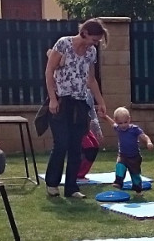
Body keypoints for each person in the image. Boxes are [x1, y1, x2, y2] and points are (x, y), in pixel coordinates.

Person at [44, 19, 109, 198]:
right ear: (85, 33)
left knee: (76, 145)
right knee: (61, 143)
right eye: (94, 39)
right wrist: (52, 99)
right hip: (61, 100)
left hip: (80, 102)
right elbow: (49, 71)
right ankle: (52, 184)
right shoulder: (63, 44)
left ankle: (72, 187)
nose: (95, 44)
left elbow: (91, 79)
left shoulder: (91, 52)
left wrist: (101, 102)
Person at [112, 107, 154, 192]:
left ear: (129, 119)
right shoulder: (118, 128)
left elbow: (144, 136)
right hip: (123, 155)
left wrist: (149, 142)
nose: (123, 125)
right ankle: (118, 182)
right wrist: (104, 116)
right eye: (120, 123)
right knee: (120, 165)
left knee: (135, 174)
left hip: (134, 157)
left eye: (125, 122)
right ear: (116, 121)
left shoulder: (134, 129)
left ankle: (137, 187)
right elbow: (111, 123)